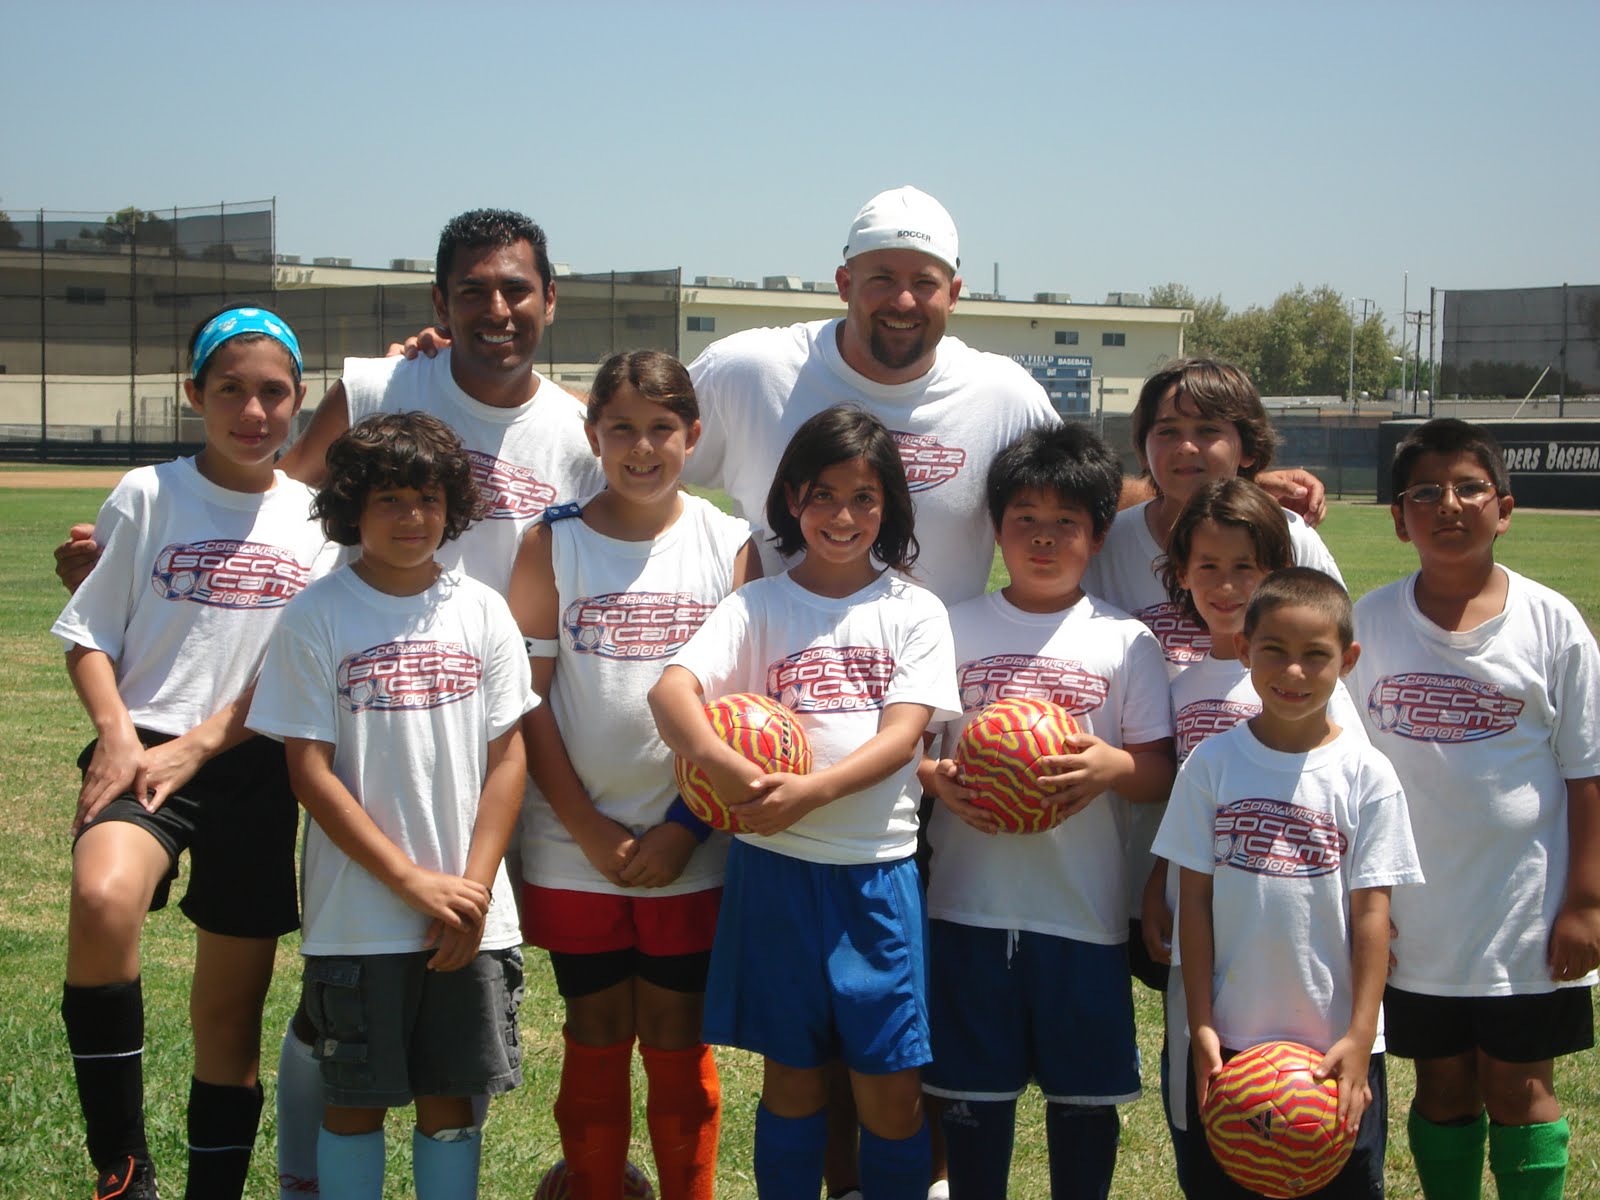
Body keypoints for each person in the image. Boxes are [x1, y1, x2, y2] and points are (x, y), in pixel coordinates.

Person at [51, 307, 334, 1200]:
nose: (253, 411)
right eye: (230, 391)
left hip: (255, 765)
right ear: (193, 395)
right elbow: (88, 632)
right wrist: (119, 737)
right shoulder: (148, 493)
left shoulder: (319, 521)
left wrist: (209, 743)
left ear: (299, 401)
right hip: (143, 746)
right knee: (102, 897)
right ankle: (122, 1172)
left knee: (228, 1021)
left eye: (274, 393)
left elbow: (297, 670)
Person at [649, 405, 960, 1200]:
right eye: (822, 495)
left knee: (890, 1090)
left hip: (874, 878)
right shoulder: (758, 607)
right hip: (775, 874)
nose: (842, 516)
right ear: (792, 499)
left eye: (862, 498)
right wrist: (724, 768)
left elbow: (902, 738)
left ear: (887, 504)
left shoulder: (914, 612)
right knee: (792, 1082)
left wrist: (810, 792)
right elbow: (671, 694)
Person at [248, 411, 535, 1199]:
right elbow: (310, 771)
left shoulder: (482, 610)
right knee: (356, 1102)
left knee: (451, 1104)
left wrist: (469, 890)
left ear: (454, 506)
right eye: (389, 500)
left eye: (429, 498)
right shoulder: (317, 615)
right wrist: (413, 884)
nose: (413, 517)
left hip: (469, 917)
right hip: (360, 917)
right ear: (349, 509)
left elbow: (508, 756)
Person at [505, 350, 761, 1200]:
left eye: (662, 430)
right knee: (596, 1026)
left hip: (692, 841)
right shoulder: (553, 540)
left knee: (678, 1036)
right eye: (622, 429)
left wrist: (688, 828)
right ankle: (594, 1185)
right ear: (593, 435)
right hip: (573, 843)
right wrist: (584, 825)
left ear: (693, 436)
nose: (642, 449)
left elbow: (747, 714)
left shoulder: (730, 546)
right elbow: (528, 703)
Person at [917, 423, 1175, 1198]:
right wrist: (934, 776)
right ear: (996, 527)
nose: (1043, 536)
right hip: (965, 907)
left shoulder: (1127, 642)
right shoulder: (950, 627)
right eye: (1024, 516)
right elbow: (907, 748)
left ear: (1099, 535)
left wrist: (1113, 765)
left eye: (1066, 521)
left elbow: (1159, 771)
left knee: (1084, 1107)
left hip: (1084, 916)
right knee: (971, 1103)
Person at [1349, 418, 1600, 1199]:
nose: (1447, 504)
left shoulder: (1553, 624)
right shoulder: (1371, 623)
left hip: (1523, 913)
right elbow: (1346, 772)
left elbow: (1587, 773)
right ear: (1398, 518)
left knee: (1520, 1091)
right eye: (1424, 491)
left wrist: (1586, 901)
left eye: (1468, 488)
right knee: (1444, 1090)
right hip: (1415, 918)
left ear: (1505, 507)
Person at [1153, 568, 1423, 1198]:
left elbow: (1371, 917)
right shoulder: (1210, 764)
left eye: (1315, 656)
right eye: (1274, 650)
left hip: (1336, 1050)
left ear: (1347, 660)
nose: (1293, 673)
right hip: (1233, 1040)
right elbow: (1193, 903)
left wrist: (1360, 1037)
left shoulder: (1366, 775)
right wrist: (1201, 1026)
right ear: (1244, 649)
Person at [1081, 356, 1345, 996]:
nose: (1187, 447)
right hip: (1138, 835)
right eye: (1166, 431)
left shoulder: (1290, 538)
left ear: (1248, 444)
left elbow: (1327, 678)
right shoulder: (1109, 542)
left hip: (1263, 835)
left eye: (1208, 429)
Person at [1141, 479, 1359, 1193]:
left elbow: (1347, 807)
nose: (1227, 584)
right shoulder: (1174, 681)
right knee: (1207, 1117)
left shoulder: (1311, 686)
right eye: (1208, 566)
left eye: (1246, 567)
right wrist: (1155, 882)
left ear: (1278, 568)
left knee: (1316, 1127)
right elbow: (1174, 806)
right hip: (1207, 935)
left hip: (1304, 944)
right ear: (1181, 575)